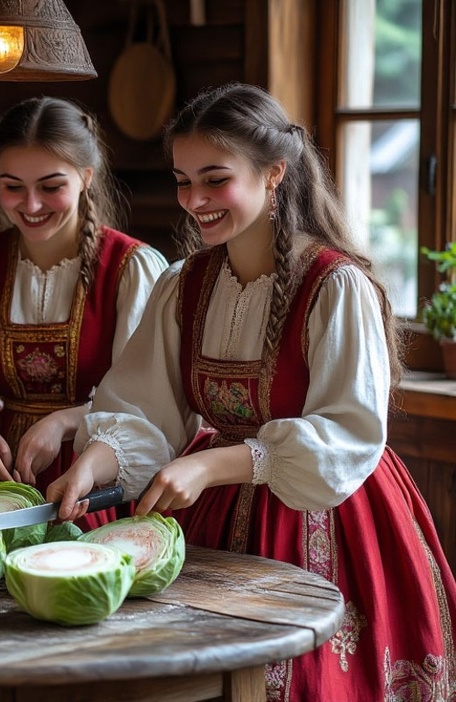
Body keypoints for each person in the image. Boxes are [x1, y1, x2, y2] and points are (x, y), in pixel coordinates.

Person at [47, 83, 456, 700]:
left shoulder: (333, 286)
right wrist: (93, 464)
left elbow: (350, 433)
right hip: (212, 510)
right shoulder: (184, 284)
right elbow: (140, 406)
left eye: (215, 179)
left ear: (273, 174)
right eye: (184, 181)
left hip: (326, 509)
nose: (195, 200)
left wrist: (220, 462)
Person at [0, 96, 168, 517]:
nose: (31, 205)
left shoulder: (131, 269)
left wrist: (63, 422)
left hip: (93, 480)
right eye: (13, 186)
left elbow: (146, 403)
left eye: (51, 187)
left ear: (86, 177)